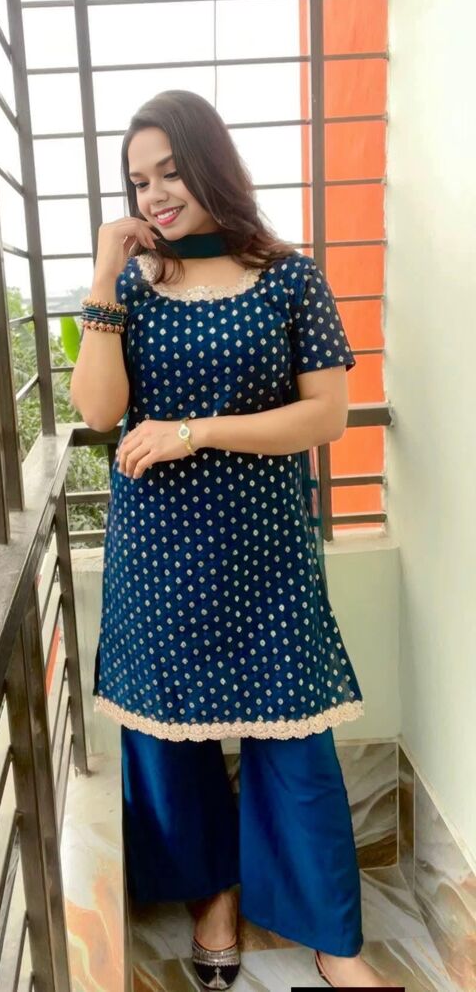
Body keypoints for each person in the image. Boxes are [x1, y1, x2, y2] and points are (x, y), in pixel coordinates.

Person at [70, 89, 394, 989]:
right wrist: (102, 278)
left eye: (170, 172)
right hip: (159, 548)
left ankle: (333, 940)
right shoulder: (134, 286)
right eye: (140, 181)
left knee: (295, 742)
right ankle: (212, 898)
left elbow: (325, 416)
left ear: (212, 163)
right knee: (171, 741)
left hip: (267, 547)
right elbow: (98, 411)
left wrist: (195, 431)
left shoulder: (290, 277)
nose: (155, 195)